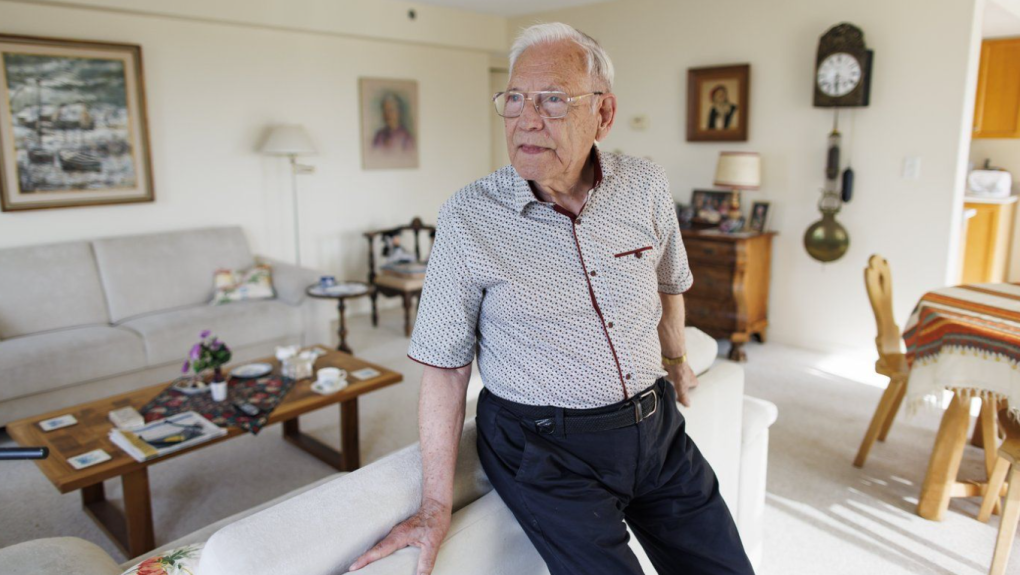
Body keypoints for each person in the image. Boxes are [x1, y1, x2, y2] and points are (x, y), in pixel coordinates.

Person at [348, 22, 754, 575]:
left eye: (553, 101)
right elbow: (444, 370)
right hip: (546, 450)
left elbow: (668, 282)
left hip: (656, 429)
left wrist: (679, 360)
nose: (526, 120)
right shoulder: (468, 217)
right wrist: (434, 506)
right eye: (514, 98)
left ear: (604, 115)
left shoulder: (646, 185)